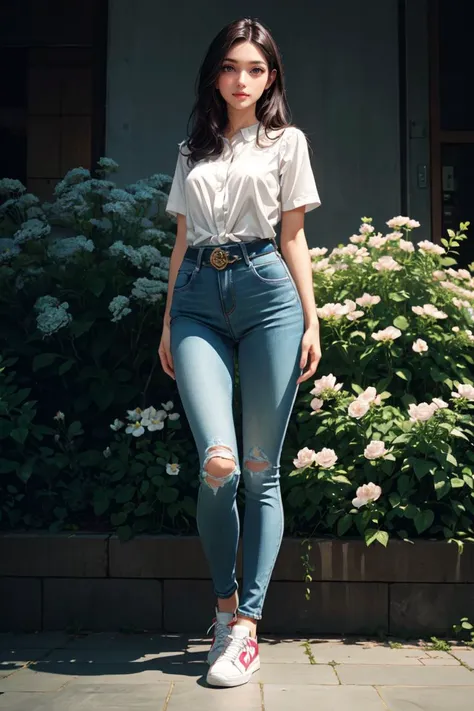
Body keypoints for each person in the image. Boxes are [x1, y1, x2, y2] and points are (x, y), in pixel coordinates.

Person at [158, 17, 322, 688]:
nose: (242, 80)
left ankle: (249, 627)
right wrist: (169, 318)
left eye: (255, 69)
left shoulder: (288, 143)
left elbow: (293, 238)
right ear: (215, 74)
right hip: (197, 293)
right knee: (218, 465)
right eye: (231, 67)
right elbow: (180, 238)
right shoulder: (192, 147)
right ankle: (223, 612)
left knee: (259, 467)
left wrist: (312, 320)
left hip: (268, 298)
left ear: (271, 77)